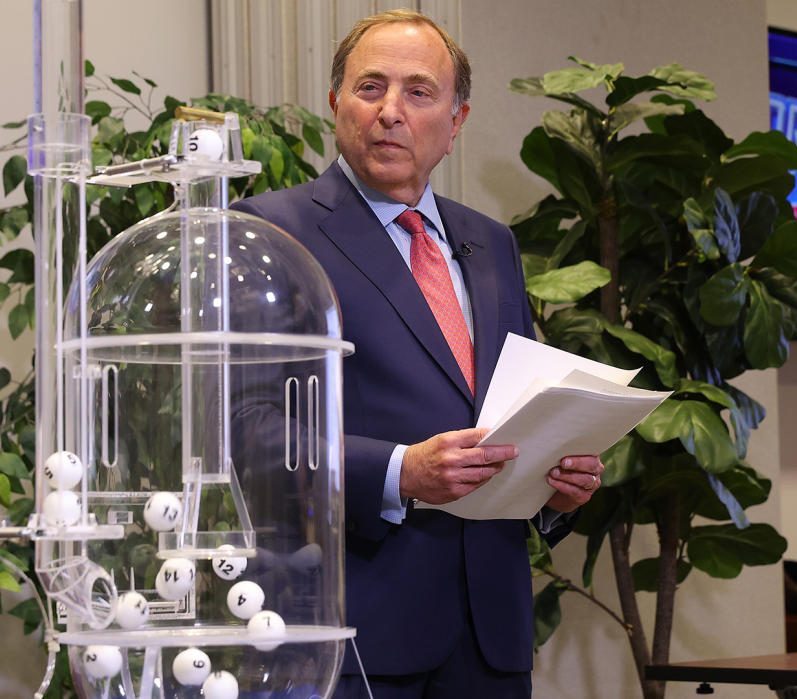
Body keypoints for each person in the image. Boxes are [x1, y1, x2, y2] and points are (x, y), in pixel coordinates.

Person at [232, 10, 604, 697]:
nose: (390, 112)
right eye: (370, 88)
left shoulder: (493, 243)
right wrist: (401, 472)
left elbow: (508, 411)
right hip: (353, 632)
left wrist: (558, 483)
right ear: (335, 103)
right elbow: (248, 433)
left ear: (456, 121)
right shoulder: (270, 230)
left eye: (419, 92)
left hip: (490, 632)